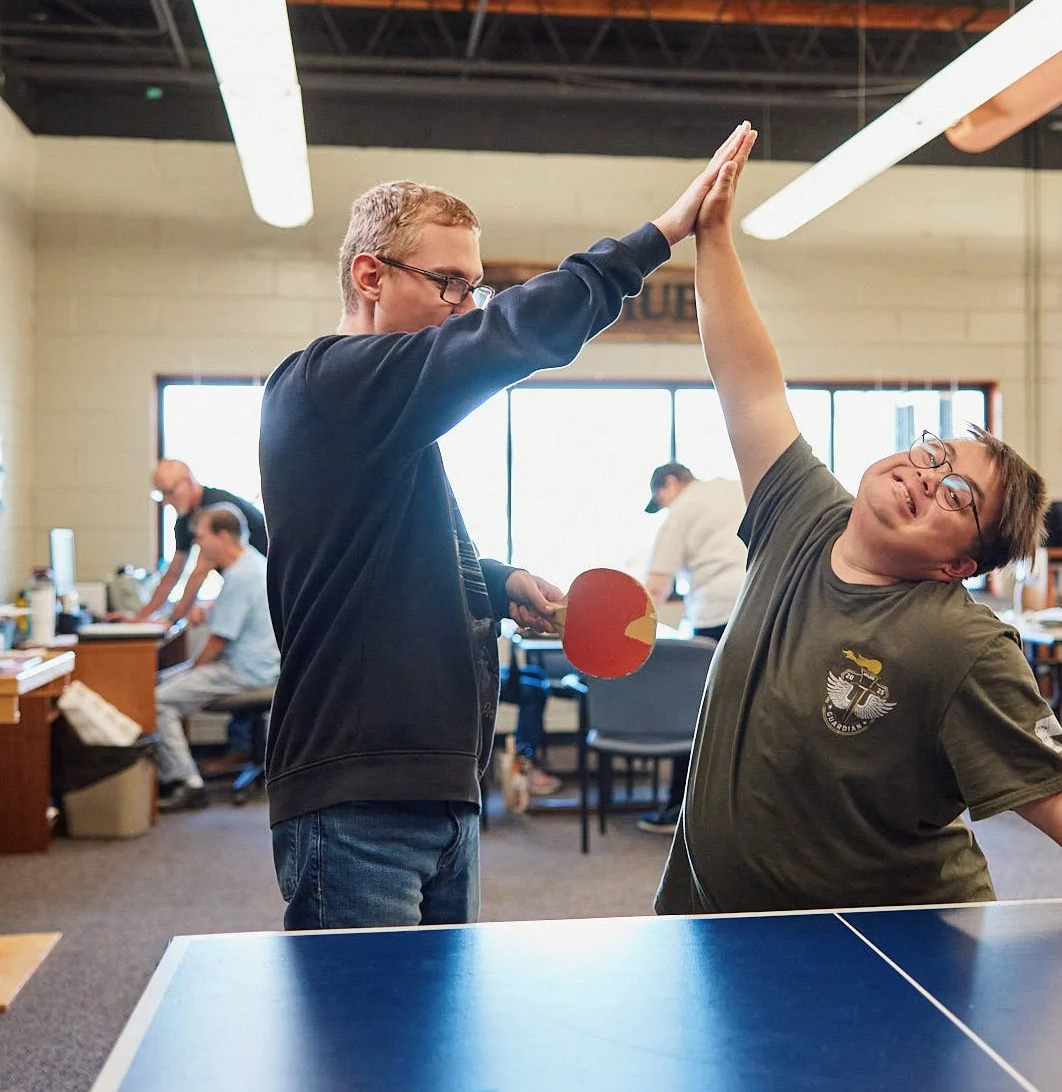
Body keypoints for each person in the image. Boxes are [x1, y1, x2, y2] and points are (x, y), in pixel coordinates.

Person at [653, 126, 1062, 927]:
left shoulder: (959, 644)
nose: (927, 478)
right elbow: (748, 382)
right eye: (935, 455)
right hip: (717, 928)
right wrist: (712, 237)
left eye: (958, 496)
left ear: (963, 566)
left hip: (887, 950)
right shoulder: (798, 511)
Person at [259, 126, 751, 931]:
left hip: (441, 792)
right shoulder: (332, 384)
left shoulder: (382, 420)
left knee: (439, 1050)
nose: (465, 308)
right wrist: (660, 236)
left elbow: (367, 556)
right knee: (366, 1055)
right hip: (358, 803)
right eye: (449, 284)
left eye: (473, 288)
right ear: (369, 274)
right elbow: (513, 334)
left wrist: (498, 582)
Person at [636, 459, 746, 833]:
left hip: (715, 615)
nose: (663, 506)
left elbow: (656, 588)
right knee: (747, 714)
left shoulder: (681, 510)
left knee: (695, 715)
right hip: (765, 604)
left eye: (661, 498)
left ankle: (678, 810)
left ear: (670, 483)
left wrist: (631, 631)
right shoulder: (735, 487)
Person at [154, 505, 279, 810]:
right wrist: (210, 610)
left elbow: (218, 641)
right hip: (262, 663)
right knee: (161, 680)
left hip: (245, 670)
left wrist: (190, 671)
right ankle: (175, 772)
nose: (197, 544)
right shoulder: (252, 564)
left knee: (156, 700)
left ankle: (187, 783)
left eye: (201, 536)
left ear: (223, 536)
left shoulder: (240, 576)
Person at [131, 459, 268, 624]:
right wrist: (140, 618)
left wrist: (171, 621)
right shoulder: (183, 519)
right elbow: (173, 574)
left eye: (169, 492)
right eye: (161, 494)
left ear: (188, 481)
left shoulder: (217, 508)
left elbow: (200, 572)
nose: (166, 501)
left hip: (268, 585)